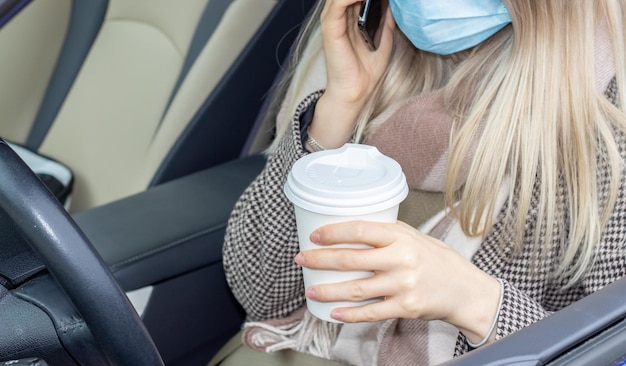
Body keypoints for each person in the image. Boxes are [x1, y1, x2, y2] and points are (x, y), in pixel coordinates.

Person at [213, 0, 626, 364]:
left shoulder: (608, 124)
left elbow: (612, 349)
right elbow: (262, 294)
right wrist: (337, 109)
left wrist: (474, 302)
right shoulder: (373, 47)